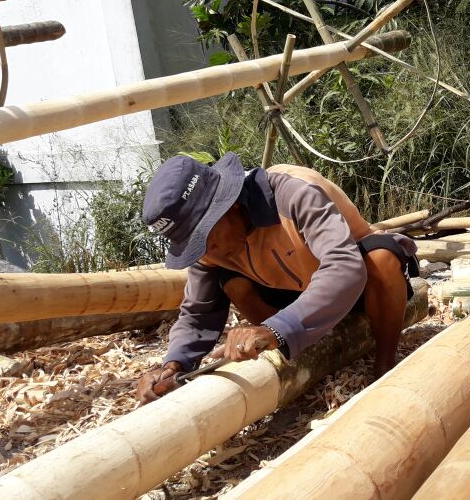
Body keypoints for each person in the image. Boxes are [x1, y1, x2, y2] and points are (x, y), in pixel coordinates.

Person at [135, 152, 417, 403]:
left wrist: (276, 328)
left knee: (382, 259)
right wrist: (174, 364)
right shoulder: (210, 253)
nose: (206, 252)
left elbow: (344, 266)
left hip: (357, 286)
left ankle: (384, 363)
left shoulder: (293, 192)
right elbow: (198, 313)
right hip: (296, 297)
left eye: (205, 237)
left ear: (229, 205)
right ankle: (302, 355)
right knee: (234, 284)